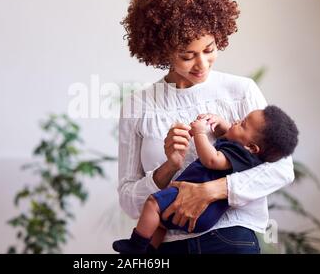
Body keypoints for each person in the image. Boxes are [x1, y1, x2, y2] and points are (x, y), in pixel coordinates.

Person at [117, 0, 295, 254]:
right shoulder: (138, 106)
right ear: (162, 51)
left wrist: (209, 191)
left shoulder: (241, 91)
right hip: (168, 246)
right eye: (187, 56)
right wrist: (168, 168)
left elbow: (282, 169)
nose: (201, 64)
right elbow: (127, 200)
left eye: (209, 50)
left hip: (230, 238)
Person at [114, 106, 299, 253]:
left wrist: (200, 133)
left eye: (242, 124)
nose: (236, 121)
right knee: (161, 224)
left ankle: (136, 245)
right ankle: (150, 250)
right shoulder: (245, 152)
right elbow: (231, 138)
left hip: (204, 214)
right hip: (204, 217)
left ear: (252, 147)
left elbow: (212, 160)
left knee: (153, 203)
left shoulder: (239, 154)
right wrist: (222, 124)